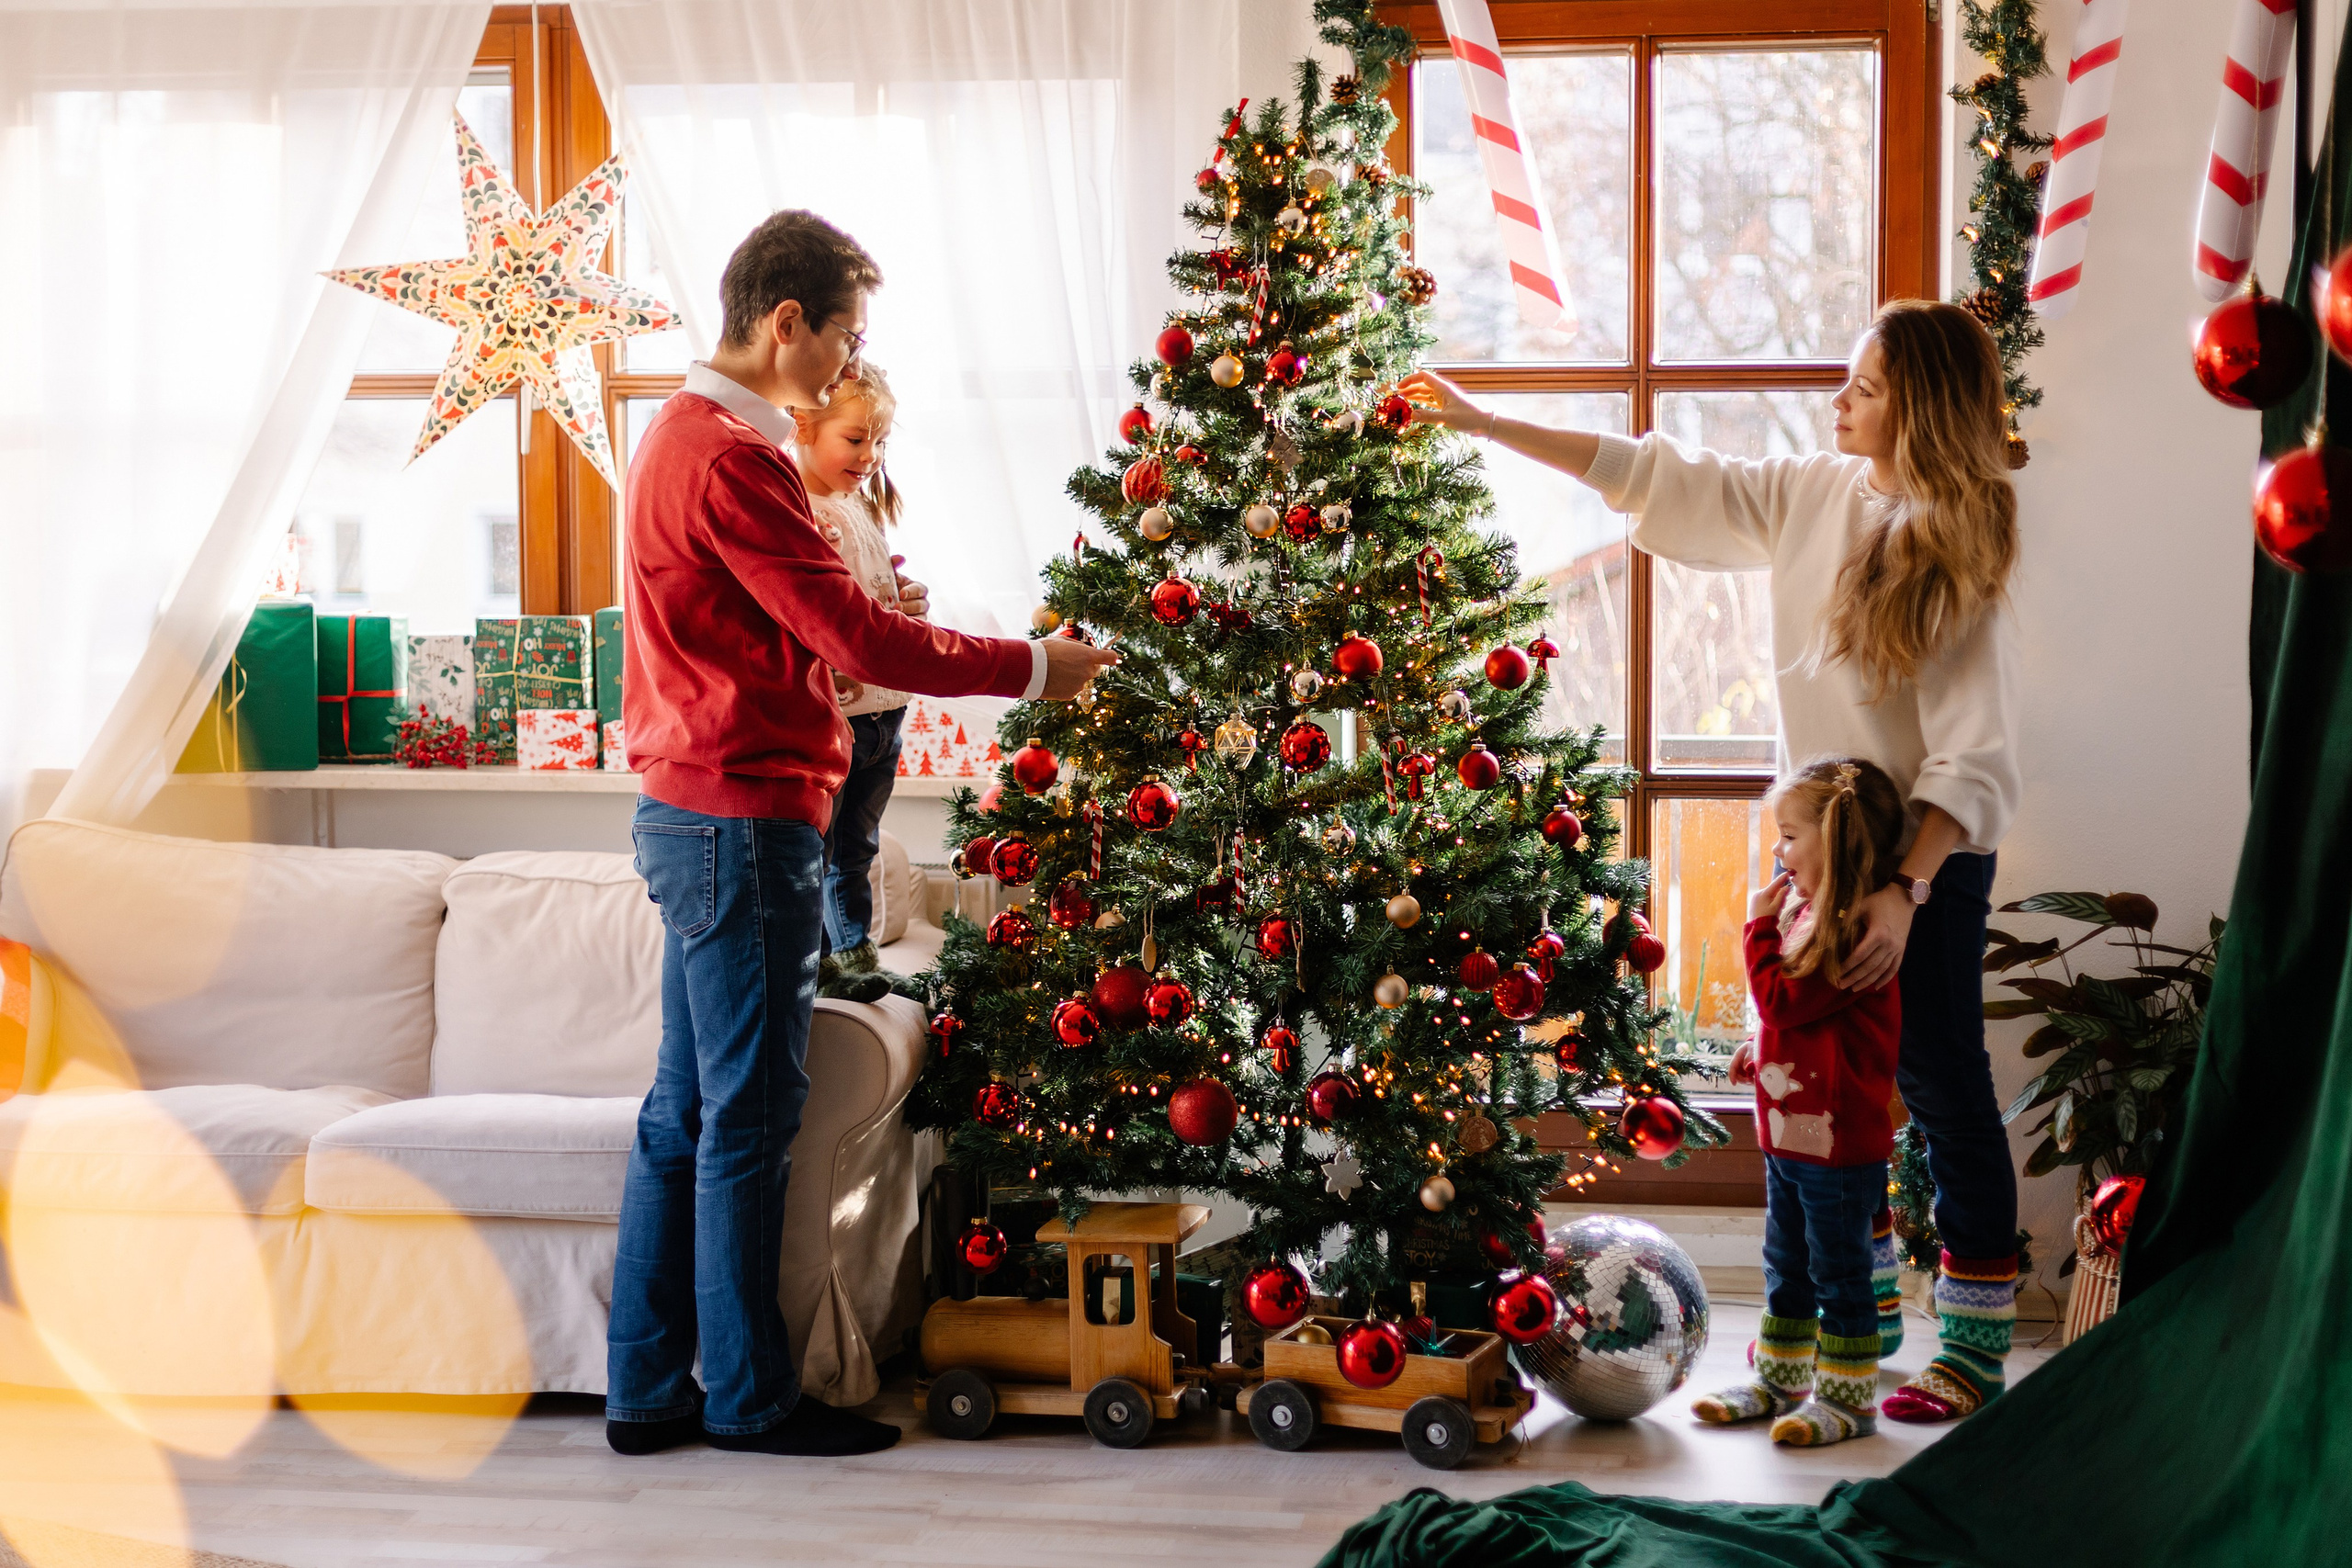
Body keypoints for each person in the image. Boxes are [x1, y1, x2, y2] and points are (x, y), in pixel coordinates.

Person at [1401, 298, 2022, 1424]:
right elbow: (1660, 474)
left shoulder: (1956, 544)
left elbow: (1974, 759)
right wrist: (1486, 424)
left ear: (1919, 408)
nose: (1840, 402)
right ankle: (1856, 1318)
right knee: (1821, 1082)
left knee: (1933, 1085)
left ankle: (1974, 1343)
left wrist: (1905, 890)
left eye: (1866, 389)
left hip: (1919, 864)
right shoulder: (1811, 495)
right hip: (1820, 867)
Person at [610, 209, 1117, 1459]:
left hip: (695, 811)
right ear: (786, 323)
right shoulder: (732, 454)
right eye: (844, 339)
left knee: (685, 1113)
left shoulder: (680, 438)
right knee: (744, 1117)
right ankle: (746, 1398)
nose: (846, 366)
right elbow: (864, 644)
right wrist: (1041, 668)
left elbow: (796, 631)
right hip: (740, 817)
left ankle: (646, 1387)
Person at [1692, 756, 1905, 1446]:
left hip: (1838, 1149)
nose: (1778, 852)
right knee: (1785, 1263)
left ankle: (1847, 1400)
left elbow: (1785, 995)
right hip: (1791, 1135)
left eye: (1789, 835)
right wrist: (1763, 1048)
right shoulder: (1808, 911)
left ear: (1836, 837)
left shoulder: (1853, 929)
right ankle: (1781, 1378)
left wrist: (1753, 927)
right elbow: (1804, 1019)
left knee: (1838, 1272)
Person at [789, 361, 919, 1001]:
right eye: (855, 439)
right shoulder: (794, 506)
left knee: (856, 847)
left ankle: (855, 955)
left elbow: (873, 594)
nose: (870, 455)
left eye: (879, 442)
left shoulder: (856, 503)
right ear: (804, 424)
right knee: (815, 849)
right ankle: (819, 965)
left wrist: (906, 599)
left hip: (883, 712)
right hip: (836, 717)